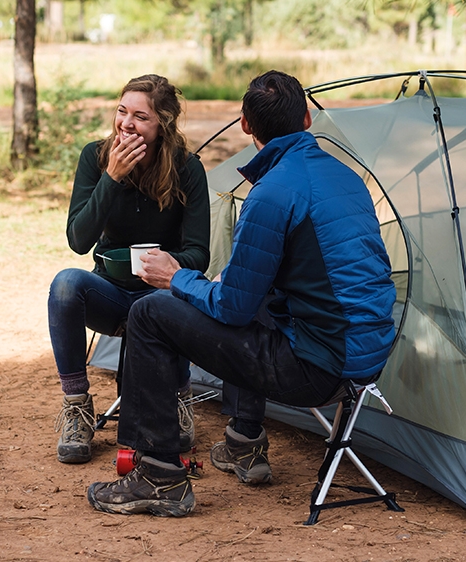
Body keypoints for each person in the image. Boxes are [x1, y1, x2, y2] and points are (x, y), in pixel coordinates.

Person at [85, 70, 396, 517]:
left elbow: (232, 307)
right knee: (265, 296)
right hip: (370, 354)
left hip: (318, 369)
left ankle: (158, 477)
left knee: (152, 312)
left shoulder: (272, 192)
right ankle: (242, 441)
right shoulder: (346, 177)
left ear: (246, 125)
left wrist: (176, 277)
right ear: (308, 118)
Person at [47, 74, 210, 465]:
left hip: (160, 296)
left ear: (162, 126)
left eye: (141, 117)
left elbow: (199, 255)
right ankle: (77, 407)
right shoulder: (95, 157)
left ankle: (177, 395)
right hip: (112, 293)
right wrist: (112, 178)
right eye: (122, 112)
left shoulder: (187, 169)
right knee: (65, 284)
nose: (126, 124)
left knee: (173, 293)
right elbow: (78, 240)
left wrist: (169, 266)